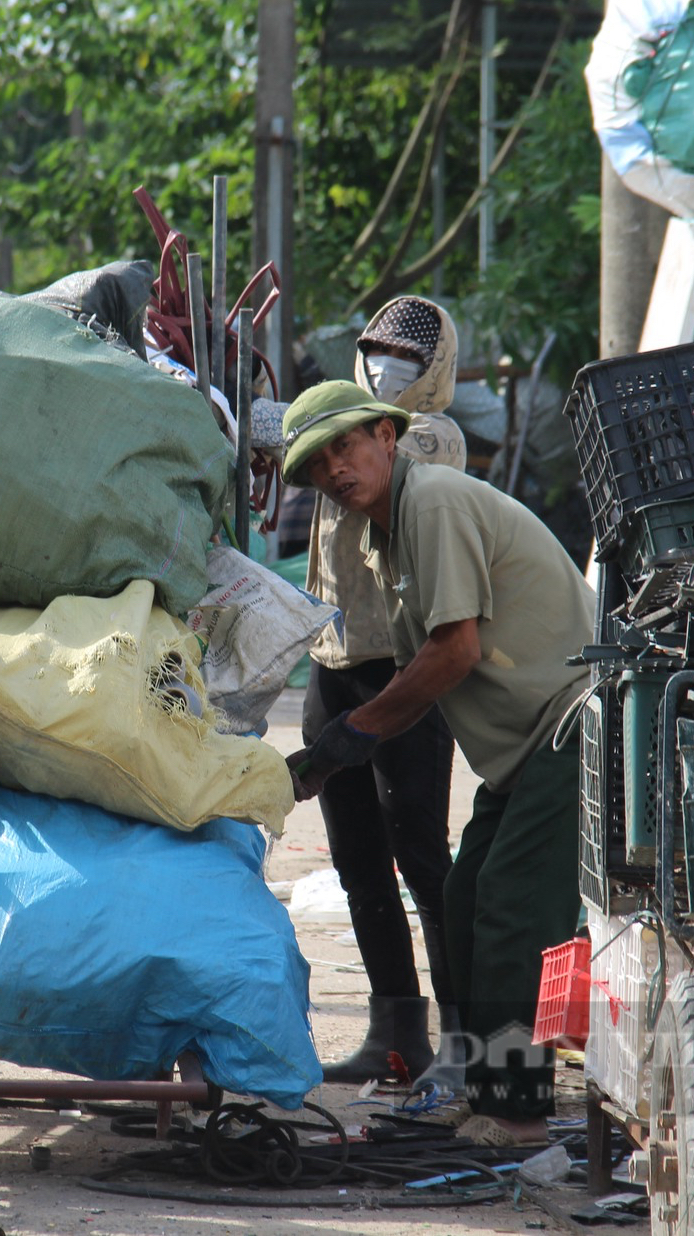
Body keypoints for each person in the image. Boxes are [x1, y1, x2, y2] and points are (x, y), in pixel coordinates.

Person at [282, 379, 593, 1145]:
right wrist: (328, 753)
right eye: (318, 464)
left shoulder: (434, 502)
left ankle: (519, 1110)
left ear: (388, 436)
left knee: (511, 911)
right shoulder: (385, 535)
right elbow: (419, 661)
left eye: (346, 447)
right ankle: (486, 1089)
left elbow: (453, 649)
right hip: (526, 753)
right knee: (463, 899)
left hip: (571, 725)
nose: (335, 470)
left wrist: (355, 730)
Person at [301, 296, 466, 1083]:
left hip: (403, 671)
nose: (386, 370)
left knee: (423, 859)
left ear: (434, 370)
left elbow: (410, 458)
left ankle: (464, 1033)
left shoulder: (428, 437)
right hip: (332, 664)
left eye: (407, 359)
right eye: (375, 354)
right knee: (357, 863)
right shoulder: (341, 433)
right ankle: (395, 1031)